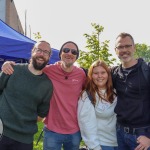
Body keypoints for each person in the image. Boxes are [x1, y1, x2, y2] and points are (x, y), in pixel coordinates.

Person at [2, 41, 86, 150]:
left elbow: (92, 88)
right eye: (66, 50)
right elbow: (32, 68)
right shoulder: (49, 70)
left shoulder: (81, 74)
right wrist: (7, 64)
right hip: (52, 131)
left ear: (76, 56)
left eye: (73, 52)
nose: (69, 53)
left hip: (74, 131)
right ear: (60, 54)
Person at [0, 40, 53, 150]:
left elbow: (41, 114)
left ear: (49, 57)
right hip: (1, 132)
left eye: (46, 52)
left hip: (24, 140)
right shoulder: (12, 69)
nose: (42, 54)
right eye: (39, 50)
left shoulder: (47, 85)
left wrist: (23, 122)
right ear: (32, 51)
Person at [111, 32, 150, 150]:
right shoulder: (114, 73)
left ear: (134, 47)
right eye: (120, 47)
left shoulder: (147, 71)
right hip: (119, 134)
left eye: (127, 46)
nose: (124, 50)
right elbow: (94, 74)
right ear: (115, 50)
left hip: (142, 137)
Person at [78, 60, 118, 150]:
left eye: (103, 72)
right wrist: (95, 147)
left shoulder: (115, 92)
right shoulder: (87, 96)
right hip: (101, 144)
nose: (100, 76)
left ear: (108, 74)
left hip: (119, 142)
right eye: (96, 73)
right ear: (91, 76)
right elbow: (86, 124)